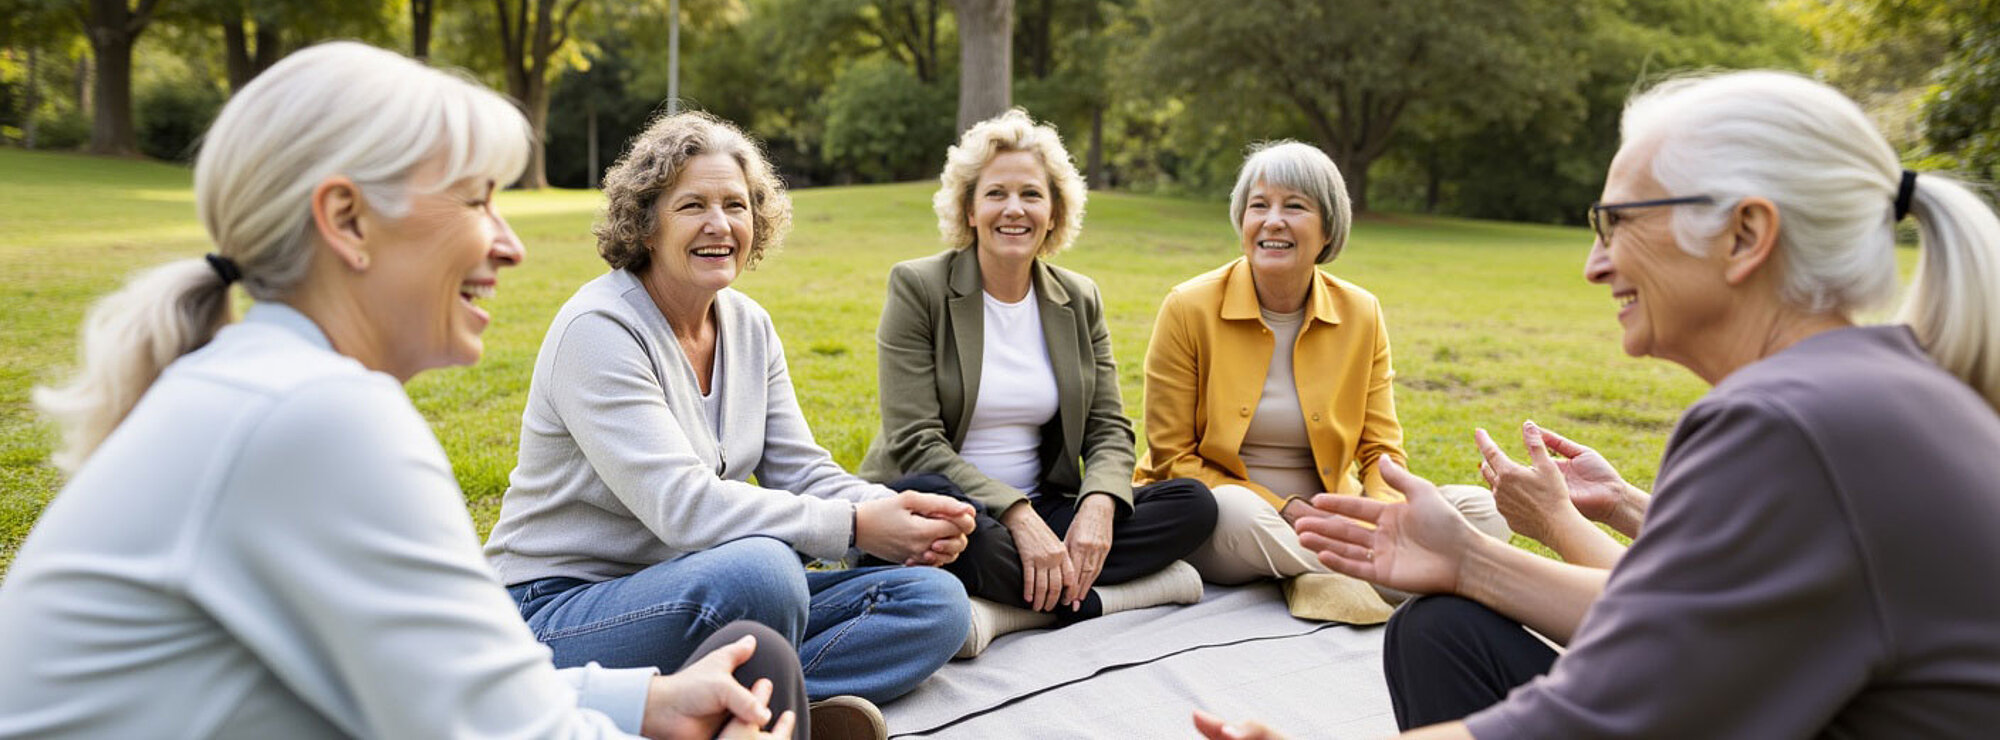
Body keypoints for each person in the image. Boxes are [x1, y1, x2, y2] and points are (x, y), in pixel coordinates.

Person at [0, 42, 800, 739]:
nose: (510, 243)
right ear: (348, 221)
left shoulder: (273, 387)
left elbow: (438, 678)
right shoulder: (314, 417)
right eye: (477, 199)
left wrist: (639, 699)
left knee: (752, 665)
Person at [1197, 70, 2000, 739]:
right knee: (1442, 629)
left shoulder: (1787, 425)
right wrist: (1472, 561)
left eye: (1617, 223)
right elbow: (1669, 621)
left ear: (1746, 234)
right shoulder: (1872, 391)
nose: (1593, 264)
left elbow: (1588, 719)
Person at [482, 111, 974, 721]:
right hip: (558, 609)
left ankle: (744, 710)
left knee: (935, 603)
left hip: (692, 587)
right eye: (693, 206)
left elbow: (802, 470)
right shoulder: (598, 329)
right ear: (646, 224)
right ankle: (749, 707)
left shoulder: (748, 325)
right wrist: (856, 526)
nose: (720, 225)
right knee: (765, 573)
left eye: (736, 206)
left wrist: (895, 514)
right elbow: (684, 506)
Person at [859, 109, 1218, 657]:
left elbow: (1108, 428)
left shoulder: (1078, 297)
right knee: (950, 525)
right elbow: (915, 442)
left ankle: (1014, 607)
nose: (1014, 209)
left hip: (1048, 505)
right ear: (970, 208)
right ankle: (1096, 599)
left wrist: (1098, 505)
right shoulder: (919, 287)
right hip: (957, 507)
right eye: (996, 193)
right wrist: (1016, 516)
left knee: (1193, 505)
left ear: (1054, 213)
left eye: (1031, 194)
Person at [1136, 141, 1510, 624]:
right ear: (1241, 221)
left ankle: (1349, 564)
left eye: (1295, 206)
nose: (1273, 220)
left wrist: (1380, 514)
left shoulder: (1361, 312)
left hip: (1338, 513)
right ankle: (1401, 572)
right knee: (1233, 513)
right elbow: (1173, 457)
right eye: (1259, 206)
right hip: (1231, 516)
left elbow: (1381, 450)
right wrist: (1287, 509)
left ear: (1328, 227)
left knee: (1485, 510)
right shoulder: (1188, 307)